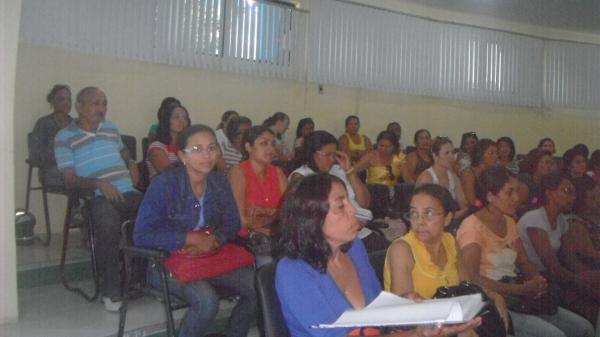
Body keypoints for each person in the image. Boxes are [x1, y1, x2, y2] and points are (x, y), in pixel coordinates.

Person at [276, 173, 481, 337]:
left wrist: (404, 304)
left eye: (349, 201)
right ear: (313, 218)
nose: (353, 210)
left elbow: (379, 314)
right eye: (341, 205)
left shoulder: (354, 248)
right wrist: (417, 334)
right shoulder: (293, 271)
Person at [134, 124, 257, 337]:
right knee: (207, 301)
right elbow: (141, 235)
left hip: (209, 255)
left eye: (211, 148)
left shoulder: (219, 181)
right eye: (197, 149)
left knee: (258, 288)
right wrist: (188, 239)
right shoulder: (165, 184)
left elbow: (232, 223)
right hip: (166, 260)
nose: (207, 155)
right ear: (182, 156)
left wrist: (214, 239)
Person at [458, 166, 594, 337]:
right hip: (493, 302)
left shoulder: (509, 222)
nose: (517, 198)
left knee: (584, 328)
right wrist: (520, 290)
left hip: (519, 294)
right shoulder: (472, 227)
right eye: (509, 192)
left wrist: (536, 279)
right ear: (491, 196)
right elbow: (472, 279)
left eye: (517, 191)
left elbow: (523, 262)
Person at [54, 86, 142, 312]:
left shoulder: (111, 128)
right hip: (95, 196)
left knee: (154, 215)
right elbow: (69, 180)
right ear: (79, 107)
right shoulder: (64, 137)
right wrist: (99, 183)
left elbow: (122, 151)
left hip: (127, 192)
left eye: (104, 103)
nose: (101, 108)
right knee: (108, 224)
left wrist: (131, 163)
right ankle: (111, 290)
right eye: (95, 103)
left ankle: (139, 280)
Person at [518, 173, 600, 327]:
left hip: (555, 275)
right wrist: (582, 283)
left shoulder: (561, 220)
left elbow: (569, 259)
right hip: (536, 278)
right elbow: (552, 265)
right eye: (568, 191)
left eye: (575, 193)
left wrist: (586, 276)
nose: (573, 197)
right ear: (549, 193)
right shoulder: (534, 219)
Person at [290, 131, 389, 252]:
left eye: (334, 154)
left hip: (360, 230)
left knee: (392, 252)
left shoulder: (338, 170)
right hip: (333, 238)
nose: (332, 159)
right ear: (314, 154)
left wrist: (350, 171)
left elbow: (364, 203)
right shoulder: (302, 177)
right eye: (328, 155)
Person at [228, 125, 288, 265]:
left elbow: (289, 211)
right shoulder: (239, 172)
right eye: (264, 143)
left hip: (276, 234)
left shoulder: (277, 172)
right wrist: (273, 214)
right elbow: (241, 220)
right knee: (268, 261)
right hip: (248, 239)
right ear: (248, 147)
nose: (270, 149)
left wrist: (265, 212)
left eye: (272, 144)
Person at [30, 84, 73, 187]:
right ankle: (77, 202)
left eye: (69, 99)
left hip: (74, 169)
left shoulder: (76, 124)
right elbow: (35, 153)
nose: (66, 103)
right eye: (61, 99)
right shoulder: (44, 123)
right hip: (50, 171)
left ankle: (83, 202)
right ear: (53, 102)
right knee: (77, 177)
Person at [416, 137, 468, 219]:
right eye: (447, 153)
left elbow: (462, 200)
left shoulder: (453, 176)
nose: (452, 156)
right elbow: (424, 209)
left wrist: (465, 211)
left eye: (453, 152)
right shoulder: (426, 178)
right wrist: (453, 216)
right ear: (435, 156)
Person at [561, 176, 600, 272]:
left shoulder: (592, 216)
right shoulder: (574, 224)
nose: (598, 201)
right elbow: (591, 255)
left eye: (599, 196)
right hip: (588, 272)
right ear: (580, 201)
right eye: (592, 198)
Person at [145, 103, 191, 179]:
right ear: (167, 121)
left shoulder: (188, 146)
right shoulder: (156, 147)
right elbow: (168, 174)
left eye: (185, 118)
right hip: (165, 189)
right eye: (176, 117)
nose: (182, 121)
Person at [460, 139, 498, 207]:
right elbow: (472, 202)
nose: (496, 156)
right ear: (480, 154)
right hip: (476, 211)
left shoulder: (492, 172)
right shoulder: (468, 174)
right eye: (491, 153)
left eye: (496, 153)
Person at [517, 148, 554, 216]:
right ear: (535, 162)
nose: (550, 166)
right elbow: (517, 207)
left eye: (551, 164)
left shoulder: (544, 182)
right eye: (547, 162)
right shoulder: (525, 180)